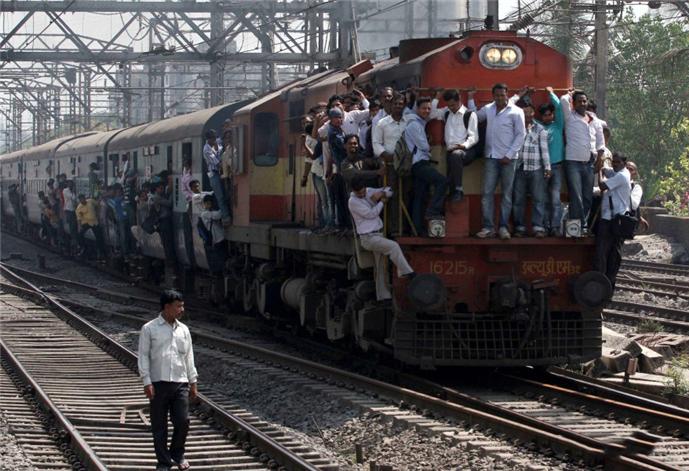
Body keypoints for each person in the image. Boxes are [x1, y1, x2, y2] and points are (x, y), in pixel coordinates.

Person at [138, 290, 198, 471]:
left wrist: (193, 381)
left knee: (183, 420)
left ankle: (177, 453)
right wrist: (146, 381)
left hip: (180, 382)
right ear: (167, 307)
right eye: (178, 306)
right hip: (158, 382)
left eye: (182, 305)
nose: (182, 309)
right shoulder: (149, 328)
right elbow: (143, 356)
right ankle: (163, 462)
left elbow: (189, 357)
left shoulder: (184, 330)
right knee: (159, 425)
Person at [469, 83, 526, 240]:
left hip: (509, 159)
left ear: (507, 94)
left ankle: (503, 227)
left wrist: (509, 154)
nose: (500, 98)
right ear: (493, 95)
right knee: (487, 193)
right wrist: (469, 98)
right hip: (491, 157)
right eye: (497, 95)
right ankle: (488, 227)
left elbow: (521, 135)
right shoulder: (489, 109)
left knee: (507, 194)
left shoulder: (517, 112)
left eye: (503, 95)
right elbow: (474, 117)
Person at [348, 177, 415, 301]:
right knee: (393, 246)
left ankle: (383, 296)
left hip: (377, 235)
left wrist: (383, 193)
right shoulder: (352, 201)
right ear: (354, 191)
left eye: (363, 191)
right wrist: (381, 202)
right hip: (368, 238)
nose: (362, 194)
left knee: (380, 268)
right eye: (359, 193)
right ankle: (407, 272)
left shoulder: (368, 191)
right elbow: (371, 214)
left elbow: (389, 190)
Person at [561, 90, 605, 234]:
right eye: (579, 101)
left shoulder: (594, 119)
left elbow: (600, 141)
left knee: (587, 196)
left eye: (584, 101)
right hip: (573, 161)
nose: (582, 104)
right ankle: (576, 229)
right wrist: (570, 93)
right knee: (576, 196)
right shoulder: (569, 116)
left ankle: (581, 226)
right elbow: (562, 100)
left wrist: (600, 159)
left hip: (589, 163)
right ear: (574, 103)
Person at [404, 97, 448, 235]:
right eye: (424, 108)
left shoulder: (419, 122)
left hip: (419, 163)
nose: (427, 111)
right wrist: (428, 146)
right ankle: (433, 210)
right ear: (417, 109)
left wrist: (436, 98)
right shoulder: (414, 125)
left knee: (420, 196)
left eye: (429, 108)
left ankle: (417, 229)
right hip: (419, 163)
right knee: (442, 181)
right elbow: (423, 146)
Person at [430, 89, 479, 202]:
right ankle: (452, 195)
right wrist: (436, 98)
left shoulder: (470, 114)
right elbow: (432, 113)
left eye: (453, 105)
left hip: (466, 151)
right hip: (450, 151)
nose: (451, 107)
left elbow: (474, 137)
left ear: (459, 100)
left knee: (456, 155)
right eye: (449, 105)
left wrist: (462, 146)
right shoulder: (447, 112)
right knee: (449, 179)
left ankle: (459, 189)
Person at [512, 100, 551, 238]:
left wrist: (547, 167)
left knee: (538, 199)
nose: (527, 114)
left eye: (529, 112)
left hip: (536, 168)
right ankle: (519, 227)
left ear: (533, 113)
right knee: (518, 199)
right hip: (519, 168)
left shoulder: (540, 129)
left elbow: (544, 150)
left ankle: (538, 227)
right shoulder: (516, 127)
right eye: (524, 112)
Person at [595, 152, 631, 290]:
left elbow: (602, 185)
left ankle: (604, 283)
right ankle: (606, 283)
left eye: (617, 162)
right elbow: (607, 171)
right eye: (613, 162)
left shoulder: (622, 176)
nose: (614, 165)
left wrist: (598, 170)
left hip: (613, 220)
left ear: (624, 163)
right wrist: (603, 165)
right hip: (612, 218)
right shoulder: (618, 173)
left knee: (605, 253)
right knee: (609, 253)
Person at [537, 86, 565, 235]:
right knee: (541, 198)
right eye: (545, 115)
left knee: (555, 198)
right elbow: (524, 114)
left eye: (549, 114)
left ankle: (555, 227)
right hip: (541, 167)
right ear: (541, 116)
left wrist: (551, 93)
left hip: (557, 167)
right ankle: (543, 226)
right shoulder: (537, 126)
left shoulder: (558, 125)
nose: (547, 117)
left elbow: (560, 108)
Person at [300, 121, 332, 230]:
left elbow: (310, 159)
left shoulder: (325, 140)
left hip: (325, 172)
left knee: (327, 200)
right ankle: (327, 223)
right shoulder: (316, 142)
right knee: (325, 200)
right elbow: (312, 157)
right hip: (319, 172)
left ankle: (329, 224)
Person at [325, 107, 351, 230]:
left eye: (340, 117)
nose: (339, 120)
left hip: (341, 168)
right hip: (342, 168)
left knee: (343, 197)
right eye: (336, 117)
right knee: (343, 197)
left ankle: (344, 224)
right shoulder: (334, 133)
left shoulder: (337, 130)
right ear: (331, 119)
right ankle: (345, 224)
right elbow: (344, 147)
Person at [202, 129, 231, 223]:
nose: (215, 139)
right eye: (213, 138)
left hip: (221, 172)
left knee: (227, 194)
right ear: (209, 139)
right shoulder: (206, 150)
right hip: (214, 174)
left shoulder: (216, 144)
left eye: (215, 137)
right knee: (220, 196)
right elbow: (216, 162)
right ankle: (226, 216)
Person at [200, 194, 227, 276]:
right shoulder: (204, 214)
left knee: (222, 257)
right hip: (216, 239)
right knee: (220, 258)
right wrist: (224, 208)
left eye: (209, 203)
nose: (208, 205)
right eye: (206, 203)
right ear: (203, 204)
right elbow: (218, 215)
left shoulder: (209, 212)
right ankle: (219, 273)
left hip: (220, 238)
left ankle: (220, 272)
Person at [149, 181, 176, 263]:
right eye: (160, 188)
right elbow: (169, 203)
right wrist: (173, 192)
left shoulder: (159, 196)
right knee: (167, 243)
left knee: (168, 243)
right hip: (164, 222)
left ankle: (171, 261)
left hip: (164, 221)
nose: (162, 190)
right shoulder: (157, 197)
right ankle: (171, 262)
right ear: (156, 189)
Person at [75, 193, 106, 260]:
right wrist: (79, 227)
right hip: (86, 222)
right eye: (80, 199)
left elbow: (98, 205)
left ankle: (100, 252)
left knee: (99, 236)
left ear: (84, 198)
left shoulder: (91, 201)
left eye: (83, 198)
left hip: (94, 221)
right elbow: (79, 219)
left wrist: (98, 214)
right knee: (80, 234)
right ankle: (83, 247)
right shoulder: (79, 208)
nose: (82, 200)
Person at [62, 180, 79, 254]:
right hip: (69, 210)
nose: (70, 185)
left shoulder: (73, 191)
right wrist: (74, 191)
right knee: (72, 227)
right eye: (69, 183)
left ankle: (75, 242)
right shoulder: (65, 190)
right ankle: (73, 242)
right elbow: (73, 197)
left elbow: (77, 200)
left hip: (75, 210)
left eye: (71, 183)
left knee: (75, 226)